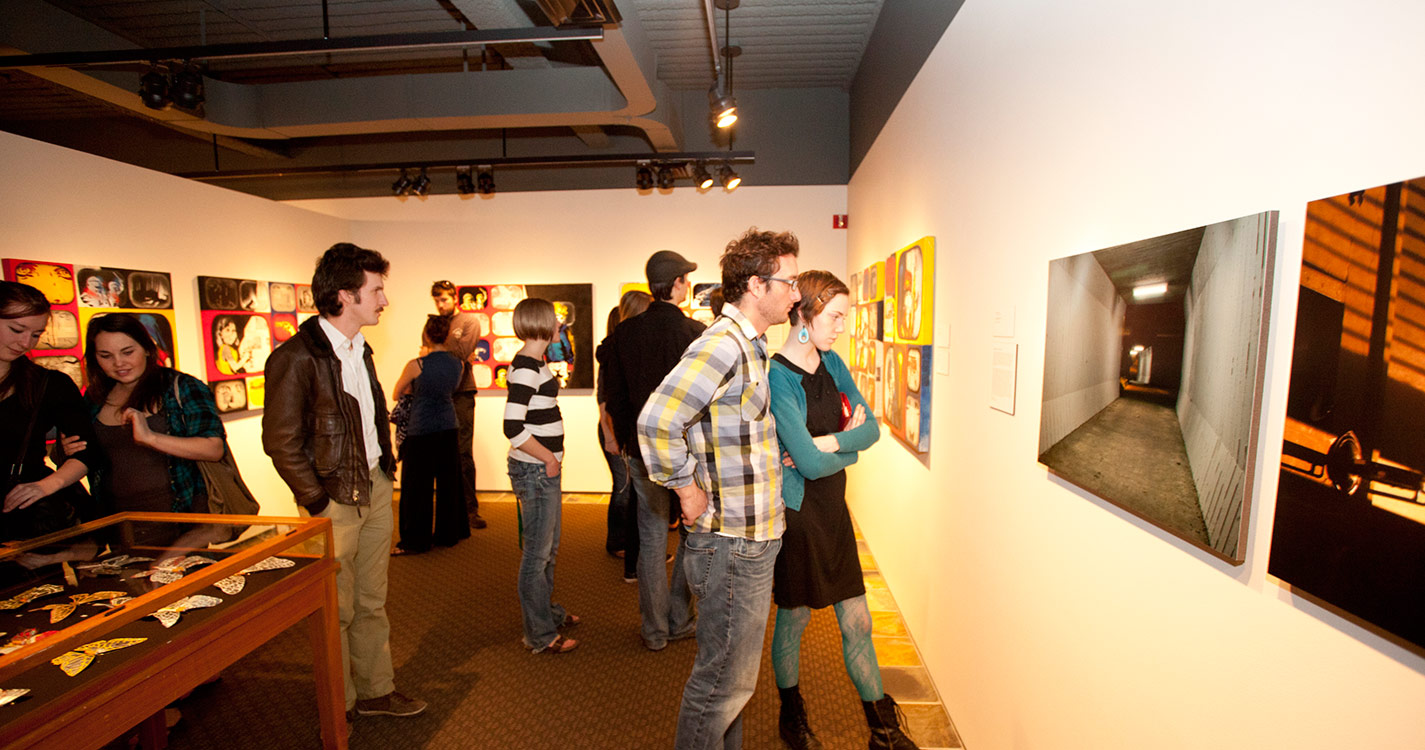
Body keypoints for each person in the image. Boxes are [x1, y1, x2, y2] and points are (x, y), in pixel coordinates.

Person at [638, 229, 801, 749]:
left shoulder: (748, 344)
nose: (796, 293)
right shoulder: (722, 344)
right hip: (732, 543)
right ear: (756, 285)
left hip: (747, 537)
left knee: (733, 686)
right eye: (789, 281)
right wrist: (685, 489)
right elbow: (657, 421)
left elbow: (732, 429)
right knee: (721, 685)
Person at [262, 243, 426, 722]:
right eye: (376, 290)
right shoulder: (295, 358)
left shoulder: (359, 349)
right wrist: (315, 501)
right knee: (334, 607)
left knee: (371, 601)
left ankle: (376, 691)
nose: (384, 300)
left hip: (373, 486)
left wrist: (383, 476)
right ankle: (342, 702)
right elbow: (281, 442)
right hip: (332, 500)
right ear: (344, 296)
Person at [768, 271, 916, 750]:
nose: (840, 327)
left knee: (857, 620)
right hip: (798, 512)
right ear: (805, 314)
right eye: (834, 316)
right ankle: (792, 718)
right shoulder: (778, 375)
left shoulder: (832, 364)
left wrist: (835, 443)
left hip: (833, 506)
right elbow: (807, 466)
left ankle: (883, 731)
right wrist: (836, 452)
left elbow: (872, 428)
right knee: (794, 619)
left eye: (844, 317)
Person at [606, 251, 706, 651]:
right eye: (686, 279)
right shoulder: (695, 334)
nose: (687, 285)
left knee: (649, 541)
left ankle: (654, 630)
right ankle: (679, 618)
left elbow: (615, 399)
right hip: (686, 453)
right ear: (678, 284)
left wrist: (629, 441)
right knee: (690, 533)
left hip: (642, 452)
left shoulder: (623, 335)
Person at [75, 313, 231, 548]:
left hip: (180, 522)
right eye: (105, 355)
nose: (119, 363)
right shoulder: (95, 397)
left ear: (147, 349)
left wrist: (151, 437)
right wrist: (70, 449)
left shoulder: (180, 387)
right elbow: (90, 456)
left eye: (128, 352)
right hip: (119, 523)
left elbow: (213, 448)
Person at [503, 297, 580, 654]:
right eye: (554, 320)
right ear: (544, 323)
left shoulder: (535, 363)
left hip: (541, 471)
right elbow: (512, 426)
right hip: (536, 471)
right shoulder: (526, 369)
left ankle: (547, 614)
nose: (558, 325)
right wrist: (548, 458)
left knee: (549, 550)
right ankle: (539, 634)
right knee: (537, 554)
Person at [0, 281, 95, 542]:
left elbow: (89, 450)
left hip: (21, 514)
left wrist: (48, 485)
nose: (25, 342)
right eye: (17, 329)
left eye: (35, 334)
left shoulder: (49, 384)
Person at [390, 314, 468, 554]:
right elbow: (452, 389)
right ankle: (448, 534)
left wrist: (415, 388)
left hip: (421, 429)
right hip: (448, 425)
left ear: (426, 335)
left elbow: (396, 393)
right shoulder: (459, 363)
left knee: (416, 488)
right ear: (446, 336)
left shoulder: (417, 364)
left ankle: (416, 540)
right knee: (449, 484)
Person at [596, 290, 652, 581]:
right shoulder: (614, 349)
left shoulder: (627, 346)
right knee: (623, 489)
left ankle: (630, 545)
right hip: (613, 430)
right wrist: (610, 435)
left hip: (624, 429)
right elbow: (604, 400)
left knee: (630, 490)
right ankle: (617, 542)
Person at [431, 281, 487, 529]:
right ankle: (449, 508)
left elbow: (461, 353)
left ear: (455, 297)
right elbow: (426, 353)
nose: (440, 305)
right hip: (437, 393)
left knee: (463, 451)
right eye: (436, 300)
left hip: (462, 392)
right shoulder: (434, 323)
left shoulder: (468, 322)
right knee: (441, 451)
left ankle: (470, 509)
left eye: (444, 299)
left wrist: (443, 349)